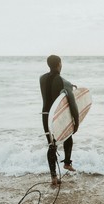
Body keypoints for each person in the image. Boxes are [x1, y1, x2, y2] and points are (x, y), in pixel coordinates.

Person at [39, 55, 79, 186]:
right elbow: (72, 105)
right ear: (59, 64)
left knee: (52, 145)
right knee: (68, 135)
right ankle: (67, 163)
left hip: (46, 114)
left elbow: (50, 91)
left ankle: (54, 177)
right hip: (58, 115)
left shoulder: (42, 79)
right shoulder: (64, 82)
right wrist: (76, 122)